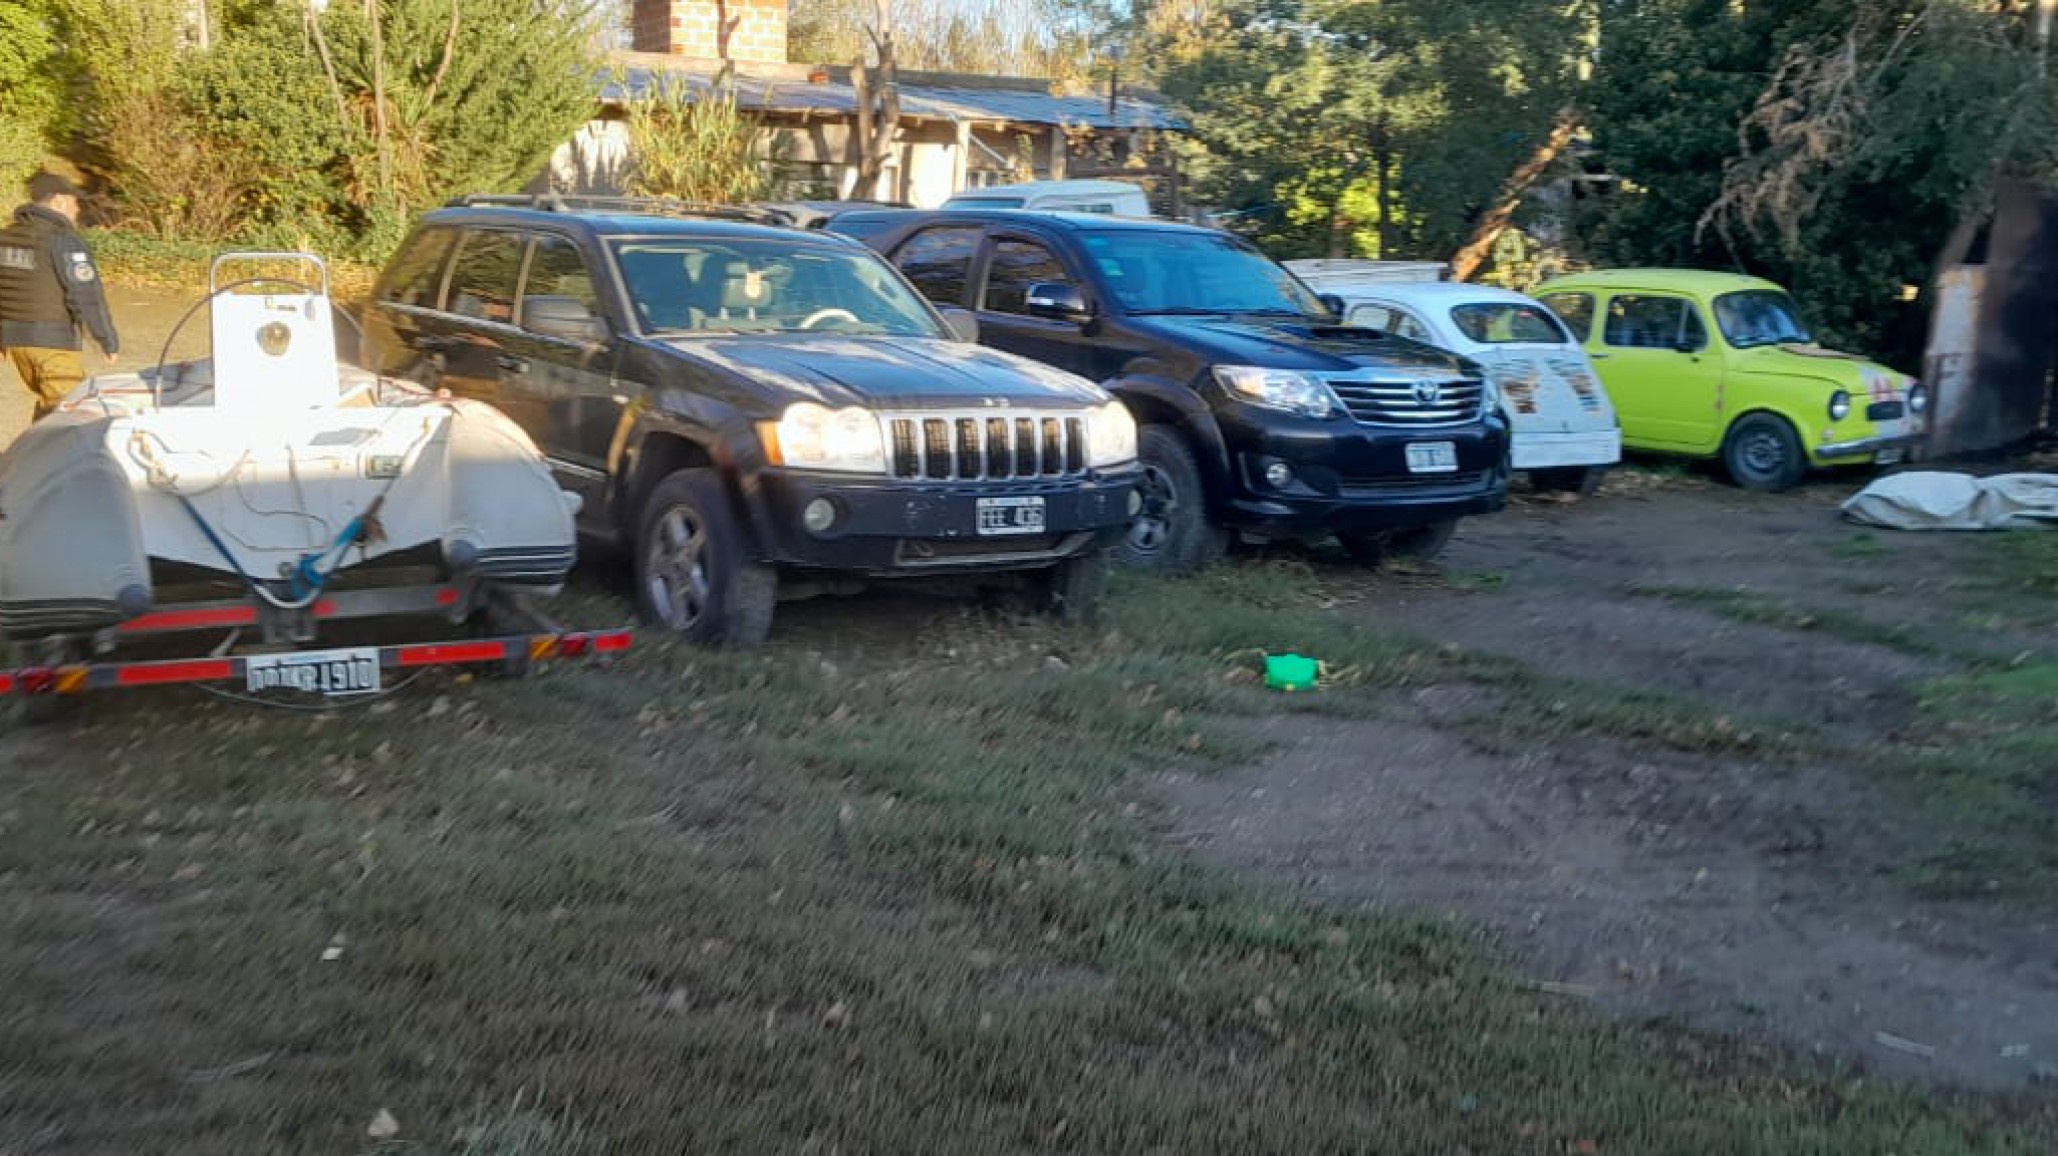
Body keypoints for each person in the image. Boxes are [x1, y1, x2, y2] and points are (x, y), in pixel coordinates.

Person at [0, 172, 119, 420]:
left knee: (52, 407)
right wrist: (107, 339)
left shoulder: (6, 237)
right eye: (75, 202)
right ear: (59, 201)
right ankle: (36, 457)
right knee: (67, 413)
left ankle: (35, 454)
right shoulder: (62, 240)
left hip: (14, 342)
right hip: (52, 342)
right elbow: (86, 294)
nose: (77, 210)